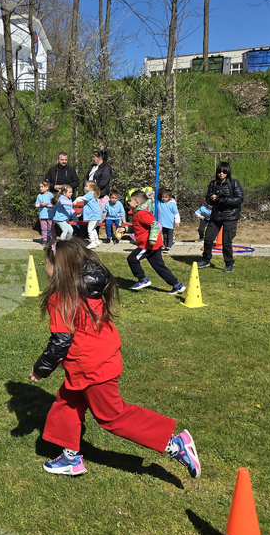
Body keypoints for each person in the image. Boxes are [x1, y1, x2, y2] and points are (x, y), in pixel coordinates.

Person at [30, 238, 200, 478]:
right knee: (67, 402)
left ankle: (174, 445)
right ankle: (70, 457)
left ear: (58, 268)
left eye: (46, 262)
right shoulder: (88, 290)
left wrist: (40, 370)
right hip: (97, 361)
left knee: (113, 416)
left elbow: (60, 342)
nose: (43, 267)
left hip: (93, 368)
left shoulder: (61, 299)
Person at [124, 190, 186, 294]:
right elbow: (138, 228)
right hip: (153, 246)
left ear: (138, 203)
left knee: (132, 258)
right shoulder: (139, 214)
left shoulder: (141, 214)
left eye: (130, 200)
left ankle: (143, 280)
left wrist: (152, 239)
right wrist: (125, 230)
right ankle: (177, 285)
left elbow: (155, 225)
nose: (128, 202)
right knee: (159, 267)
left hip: (148, 245)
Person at [197, 161, 244, 273]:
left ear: (227, 172)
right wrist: (212, 199)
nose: (221, 174)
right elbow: (208, 199)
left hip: (230, 216)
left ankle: (229, 263)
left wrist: (224, 200)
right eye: (219, 172)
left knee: (226, 241)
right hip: (216, 216)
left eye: (223, 172)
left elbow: (240, 199)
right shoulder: (213, 184)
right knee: (208, 238)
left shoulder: (234, 183)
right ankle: (206, 259)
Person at [155, 188, 180, 253]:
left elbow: (176, 213)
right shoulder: (159, 203)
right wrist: (155, 188)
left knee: (170, 236)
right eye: (163, 197)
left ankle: (169, 247)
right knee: (165, 236)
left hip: (169, 223)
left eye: (166, 197)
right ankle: (166, 246)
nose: (164, 198)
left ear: (170, 197)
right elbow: (155, 196)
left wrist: (177, 222)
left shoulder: (172, 204)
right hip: (161, 223)